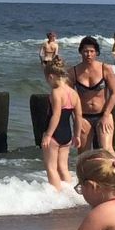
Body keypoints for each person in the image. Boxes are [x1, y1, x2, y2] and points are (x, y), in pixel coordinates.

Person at [70, 35, 115, 153]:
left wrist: (106, 115)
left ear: (96, 52)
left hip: (103, 114)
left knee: (107, 151)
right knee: (83, 154)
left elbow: (114, 93)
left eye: (92, 51)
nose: (88, 54)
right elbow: (69, 98)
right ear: (80, 52)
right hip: (83, 116)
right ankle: (86, 172)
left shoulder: (105, 69)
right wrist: (76, 118)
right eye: (85, 51)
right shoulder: (73, 72)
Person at [38, 59, 82, 190]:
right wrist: (77, 135)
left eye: (47, 79)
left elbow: (55, 115)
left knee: (51, 167)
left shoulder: (56, 92)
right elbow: (78, 116)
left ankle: (57, 197)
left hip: (54, 135)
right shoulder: (74, 93)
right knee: (63, 167)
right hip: (67, 135)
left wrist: (47, 135)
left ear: (51, 76)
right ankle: (69, 195)